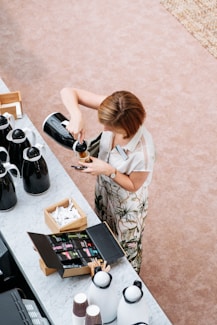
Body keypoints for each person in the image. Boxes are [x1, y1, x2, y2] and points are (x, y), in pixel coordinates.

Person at [60, 88, 155, 273]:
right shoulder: (116, 107)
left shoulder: (144, 153)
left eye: (110, 127)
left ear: (127, 127)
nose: (104, 129)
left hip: (127, 203)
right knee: (102, 230)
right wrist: (76, 114)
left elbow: (134, 185)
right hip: (104, 188)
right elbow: (68, 91)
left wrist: (109, 170)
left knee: (124, 248)